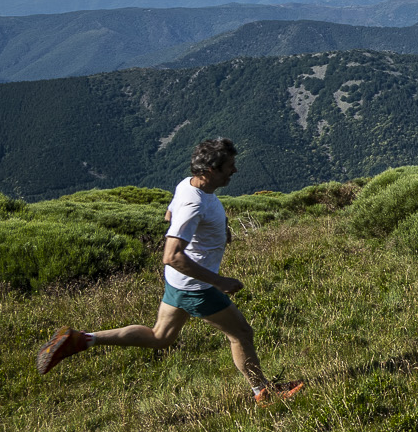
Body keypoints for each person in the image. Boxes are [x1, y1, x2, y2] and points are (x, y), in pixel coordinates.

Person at [36, 138, 303, 404]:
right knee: (241, 334)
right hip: (197, 288)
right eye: (229, 166)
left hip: (178, 284)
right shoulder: (194, 204)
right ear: (211, 170)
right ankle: (263, 393)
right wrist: (219, 281)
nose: (234, 170)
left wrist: (218, 230)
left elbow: (169, 215)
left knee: (160, 337)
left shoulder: (187, 185)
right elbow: (172, 255)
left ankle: (81, 339)